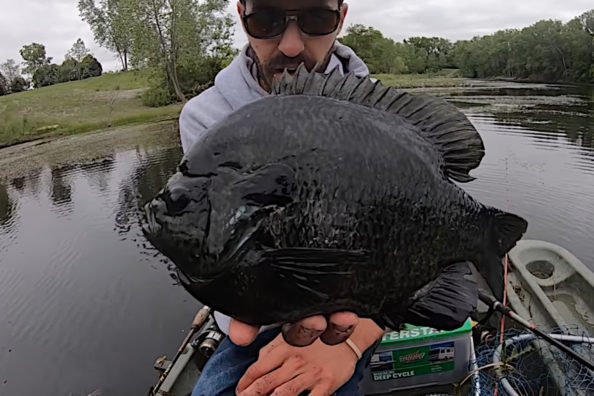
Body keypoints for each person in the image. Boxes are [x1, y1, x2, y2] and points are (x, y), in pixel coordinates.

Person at [178, 0, 386, 395]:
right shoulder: (205, 119)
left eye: (316, 20)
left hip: (356, 317)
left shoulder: (381, 117)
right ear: (242, 15)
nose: (291, 45)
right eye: (267, 20)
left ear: (341, 19)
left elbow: (410, 247)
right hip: (257, 321)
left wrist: (352, 344)